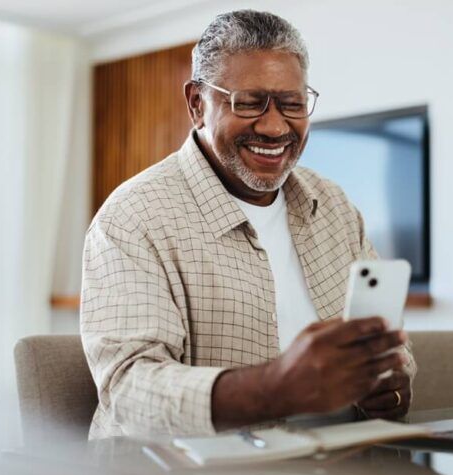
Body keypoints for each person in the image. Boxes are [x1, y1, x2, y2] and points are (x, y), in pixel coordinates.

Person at [81, 10, 417, 439]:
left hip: (338, 472)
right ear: (197, 104)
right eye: (249, 103)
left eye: (292, 104)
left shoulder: (334, 205)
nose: (275, 126)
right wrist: (273, 389)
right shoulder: (133, 218)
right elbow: (129, 390)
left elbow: (396, 345)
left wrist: (392, 381)